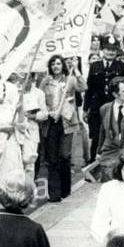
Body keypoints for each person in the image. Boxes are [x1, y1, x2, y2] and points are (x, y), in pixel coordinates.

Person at [38, 54, 80, 202]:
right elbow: (40, 99)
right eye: (53, 64)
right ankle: (54, 193)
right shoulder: (46, 81)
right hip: (51, 121)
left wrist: (76, 70)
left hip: (66, 121)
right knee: (52, 158)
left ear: (63, 65)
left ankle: (65, 190)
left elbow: (83, 86)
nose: (56, 66)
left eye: (58, 64)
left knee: (64, 155)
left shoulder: (70, 79)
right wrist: (47, 112)